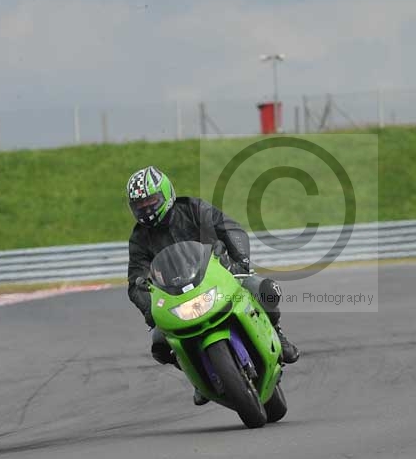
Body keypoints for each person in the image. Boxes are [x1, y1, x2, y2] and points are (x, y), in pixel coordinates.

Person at [125, 166, 300, 405]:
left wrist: (240, 262)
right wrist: (149, 308)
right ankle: (196, 377)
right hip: (177, 297)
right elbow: (135, 281)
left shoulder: (194, 209)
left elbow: (230, 228)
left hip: (220, 277)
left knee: (265, 290)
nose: (146, 209)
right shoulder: (139, 238)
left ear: (166, 194)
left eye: (151, 201)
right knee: (159, 345)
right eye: (140, 206)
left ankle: (278, 334)